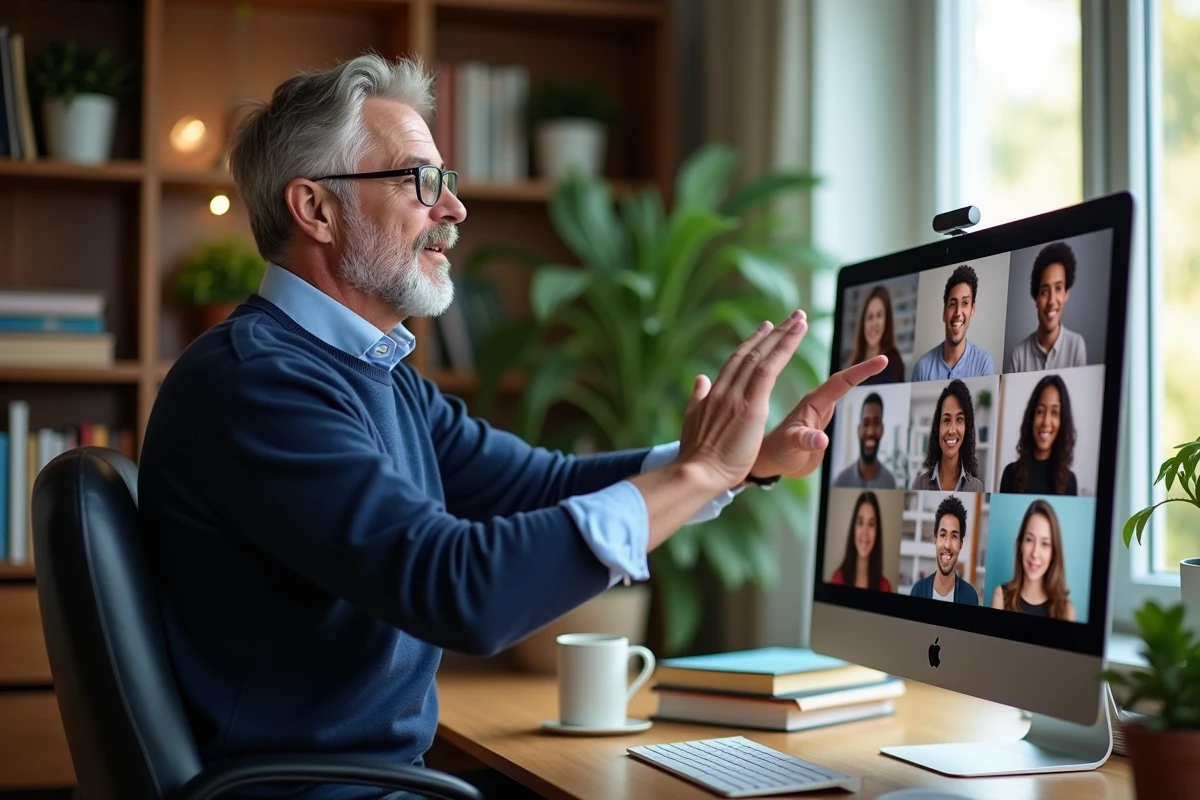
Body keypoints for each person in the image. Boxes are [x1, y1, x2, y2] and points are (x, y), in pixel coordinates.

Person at [137, 54, 888, 800]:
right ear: (317, 209)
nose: (454, 210)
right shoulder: (258, 385)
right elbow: (456, 589)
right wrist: (698, 475)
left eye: (447, 182)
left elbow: (539, 485)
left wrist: (739, 460)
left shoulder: (377, 373)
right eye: (420, 181)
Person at [1005, 241, 1088, 373]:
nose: (1051, 301)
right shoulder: (1019, 354)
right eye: (1044, 291)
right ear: (1036, 299)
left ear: (1066, 294)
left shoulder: (1076, 345)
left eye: (1058, 288)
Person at [990, 499, 1076, 620]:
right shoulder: (1001, 596)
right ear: (1021, 544)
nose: (1035, 553)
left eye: (1045, 544)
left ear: (1054, 552)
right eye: (1029, 540)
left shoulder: (1066, 609)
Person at [911, 265, 995, 381]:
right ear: (944, 313)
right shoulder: (922, 368)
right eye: (952, 304)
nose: (957, 313)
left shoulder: (984, 364)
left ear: (972, 310)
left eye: (965, 303)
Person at [998, 374, 1079, 495]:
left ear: (1063, 421)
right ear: (1031, 416)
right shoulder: (1010, 474)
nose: (1046, 422)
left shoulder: (1070, 482)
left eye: (1054, 412)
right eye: (1040, 411)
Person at [910, 379, 984, 492]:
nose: (952, 430)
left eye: (959, 419)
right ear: (937, 427)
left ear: (967, 428)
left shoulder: (976, 487)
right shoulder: (920, 484)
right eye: (946, 420)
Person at [909, 495, 979, 604]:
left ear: (961, 544)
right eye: (942, 535)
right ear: (935, 539)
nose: (947, 545)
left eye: (954, 536)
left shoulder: (970, 597)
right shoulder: (918, 591)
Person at [829, 491, 893, 591]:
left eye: (871, 524)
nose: (865, 532)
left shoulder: (885, 587)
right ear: (853, 528)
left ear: (877, 532)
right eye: (860, 522)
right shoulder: (837, 579)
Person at [833, 392, 896, 488]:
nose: (870, 432)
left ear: (882, 429)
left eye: (876, 423)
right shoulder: (841, 481)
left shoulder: (889, 481)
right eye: (866, 423)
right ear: (859, 429)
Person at [846, 285, 906, 384]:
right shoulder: (853, 365)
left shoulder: (895, 363)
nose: (874, 323)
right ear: (863, 323)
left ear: (886, 321)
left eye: (879, 315)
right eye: (870, 317)